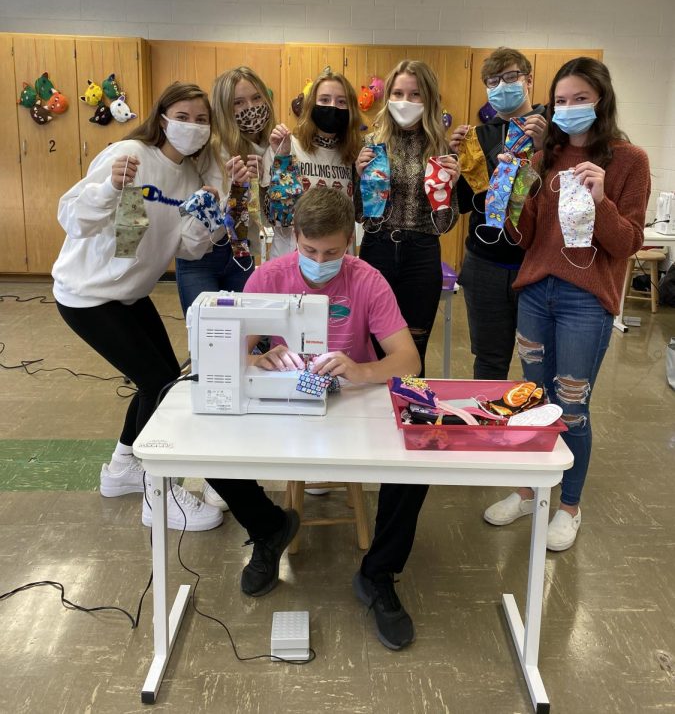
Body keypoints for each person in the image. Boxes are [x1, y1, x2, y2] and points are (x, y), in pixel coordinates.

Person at [205, 187, 427, 651]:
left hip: (350, 401)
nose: (319, 261)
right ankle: (268, 528)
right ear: (295, 237)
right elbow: (231, 350)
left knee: (416, 462)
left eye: (332, 252)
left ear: (351, 241)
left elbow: (409, 360)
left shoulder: (368, 280)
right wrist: (259, 354)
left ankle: (378, 572)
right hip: (283, 398)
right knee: (208, 446)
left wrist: (361, 369)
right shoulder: (269, 277)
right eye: (309, 250)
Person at [483, 58, 650, 551]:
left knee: (571, 406)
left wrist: (601, 201)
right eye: (561, 100)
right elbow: (526, 237)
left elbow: (628, 243)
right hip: (536, 292)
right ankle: (529, 491)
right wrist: (512, 192)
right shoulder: (544, 155)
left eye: (581, 99)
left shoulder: (628, 160)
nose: (570, 108)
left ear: (602, 101)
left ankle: (569, 507)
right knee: (533, 402)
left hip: (586, 301)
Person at [51, 82, 225, 532]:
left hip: (130, 294)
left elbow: (188, 250)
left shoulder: (188, 178)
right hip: (87, 295)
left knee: (161, 380)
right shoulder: (128, 155)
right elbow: (72, 217)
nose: (192, 127)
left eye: (201, 119)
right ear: (162, 116)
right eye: (182, 116)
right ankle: (160, 497)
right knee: (161, 384)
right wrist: (109, 188)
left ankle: (122, 468)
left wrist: (213, 215)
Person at [354, 60, 460, 376]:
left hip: (421, 254)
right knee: (373, 345)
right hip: (378, 250)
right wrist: (360, 178)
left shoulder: (442, 149)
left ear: (429, 100)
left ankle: (410, 414)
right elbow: (361, 216)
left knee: (415, 348)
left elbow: (445, 225)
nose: (405, 101)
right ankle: (373, 419)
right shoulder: (372, 145)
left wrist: (448, 190)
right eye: (398, 93)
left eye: (415, 95)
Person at [449, 47, 547, 379]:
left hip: (536, 265)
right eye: (493, 80)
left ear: (528, 79)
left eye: (510, 77)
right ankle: (491, 428)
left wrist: (546, 145)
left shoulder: (550, 129)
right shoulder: (478, 136)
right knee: (490, 360)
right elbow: (465, 203)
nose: (501, 86)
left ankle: (535, 428)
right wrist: (455, 161)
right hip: (485, 263)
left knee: (540, 362)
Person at [175, 66, 276, 315]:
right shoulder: (209, 148)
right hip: (201, 255)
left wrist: (264, 183)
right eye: (237, 103)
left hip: (242, 254)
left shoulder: (273, 148)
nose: (249, 108)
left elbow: (270, 215)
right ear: (223, 108)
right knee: (206, 334)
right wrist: (233, 193)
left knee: (242, 335)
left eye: (256, 98)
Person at [260, 68, 361, 259]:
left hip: (336, 259)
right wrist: (281, 157)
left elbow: (359, 213)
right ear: (311, 105)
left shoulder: (352, 154)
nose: (333, 107)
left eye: (342, 102)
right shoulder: (287, 146)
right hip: (291, 258)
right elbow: (272, 216)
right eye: (324, 100)